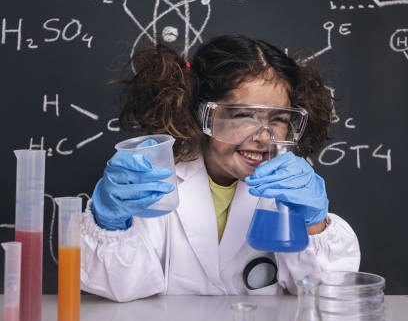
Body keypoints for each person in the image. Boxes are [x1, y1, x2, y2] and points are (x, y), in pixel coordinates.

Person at [80, 34, 360, 301]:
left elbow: (329, 290)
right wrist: (109, 222)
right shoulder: (159, 185)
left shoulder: (288, 192)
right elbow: (120, 286)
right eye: (242, 116)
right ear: (202, 116)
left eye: (278, 119)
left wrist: (315, 225)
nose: (263, 137)